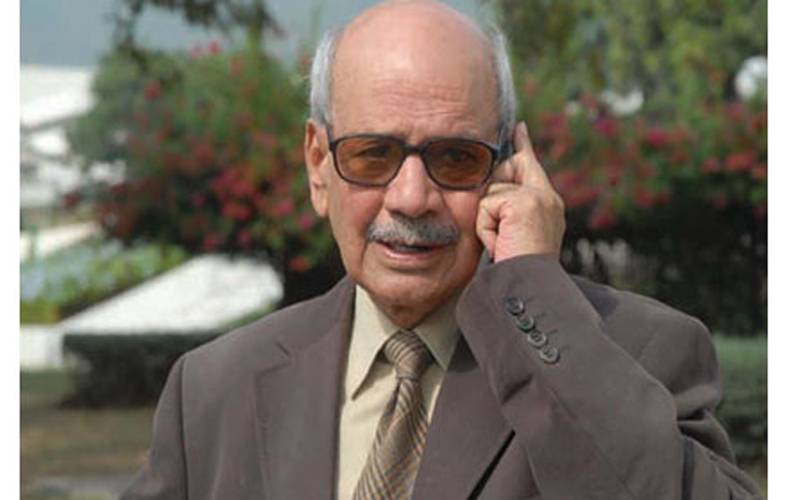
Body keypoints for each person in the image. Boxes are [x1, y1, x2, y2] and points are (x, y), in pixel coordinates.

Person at [122, 1, 763, 498]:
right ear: (318, 166)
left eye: (455, 158)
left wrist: (534, 288)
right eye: (373, 155)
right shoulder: (213, 390)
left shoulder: (640, 354)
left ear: (510, 168)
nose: (411, 197)